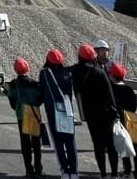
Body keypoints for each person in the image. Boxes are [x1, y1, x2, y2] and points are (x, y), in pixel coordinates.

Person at [72, 44, 119, 178]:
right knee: (111, 145)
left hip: (90, 115)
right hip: (105, 114)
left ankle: (103, 174)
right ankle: (114, 174)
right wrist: (115, 113)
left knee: (98, 145)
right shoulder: (98, 72)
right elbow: (109, 95)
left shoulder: (76, 72)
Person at [40, 49, 78, 179]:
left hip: (52, 112)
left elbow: (42, 91)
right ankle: (74, 172)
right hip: (67, 111)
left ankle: (64, 171)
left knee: (58, 142)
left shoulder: (45, 73)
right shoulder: (67, 72)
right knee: (70, 142)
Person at [7, 57, 44, 179]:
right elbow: (40, 99)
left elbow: (12, 103)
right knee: (36, 143)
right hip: (34, 114)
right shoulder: (35, 84)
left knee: (25, 143)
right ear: (28, 68)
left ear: (15, 70)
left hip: (21, 115)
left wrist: (18, 107)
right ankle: (38, 169)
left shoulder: (13, 84)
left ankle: (29, 169)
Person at [110, 63, 137, 179]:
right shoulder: (129, 89)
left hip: (118, 120)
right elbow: (134, 106)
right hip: (131, 118)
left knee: (123, 143)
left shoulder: (111, 89)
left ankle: (127, 170)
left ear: (112, 76)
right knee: (135, 145)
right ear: (124, 76)